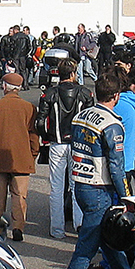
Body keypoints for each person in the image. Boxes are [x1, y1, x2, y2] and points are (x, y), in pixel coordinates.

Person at [60, 72, 132, 269]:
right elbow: (116, 166)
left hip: (80, 184)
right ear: (116, 96)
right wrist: (126, 197)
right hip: (99, 188)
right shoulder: (112, 124)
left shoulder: (81, 116)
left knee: (108, 241)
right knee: (86, 247)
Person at [36, 59, 91, 239]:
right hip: (78, 145)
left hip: (57, 144)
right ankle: (79, 226)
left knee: (56, 188)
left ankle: (57, 229)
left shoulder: (49, 94)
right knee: (77, 186)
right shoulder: (84, 93)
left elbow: (40, 121)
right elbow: (91, 119)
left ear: (58, 73)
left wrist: (47, 137)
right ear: (74, 73)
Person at [0, 73, 39, 241]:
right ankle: (18, 226)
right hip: (22, 158)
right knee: (19, 195)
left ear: (4, 86)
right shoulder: (29, 108)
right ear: (19, 88)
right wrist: (32, 154)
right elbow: (33, 135)